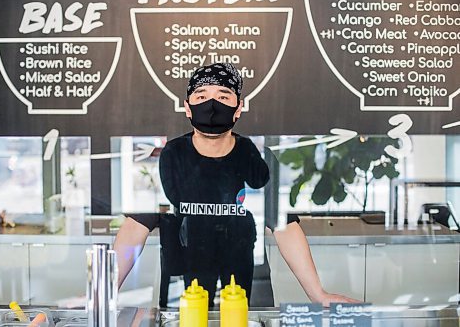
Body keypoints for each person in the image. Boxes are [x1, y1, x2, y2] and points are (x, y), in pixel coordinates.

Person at [114, 63, 357, 307]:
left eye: (223, 96)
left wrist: (318, 294)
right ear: (187, 108)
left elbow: (285, 226)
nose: (212, 105)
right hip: (185, 282)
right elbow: (135, 227)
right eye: (201, 96)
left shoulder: (256, 155)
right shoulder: (170, 155)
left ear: (238, 107)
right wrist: (107, 289)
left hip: (245, 274)